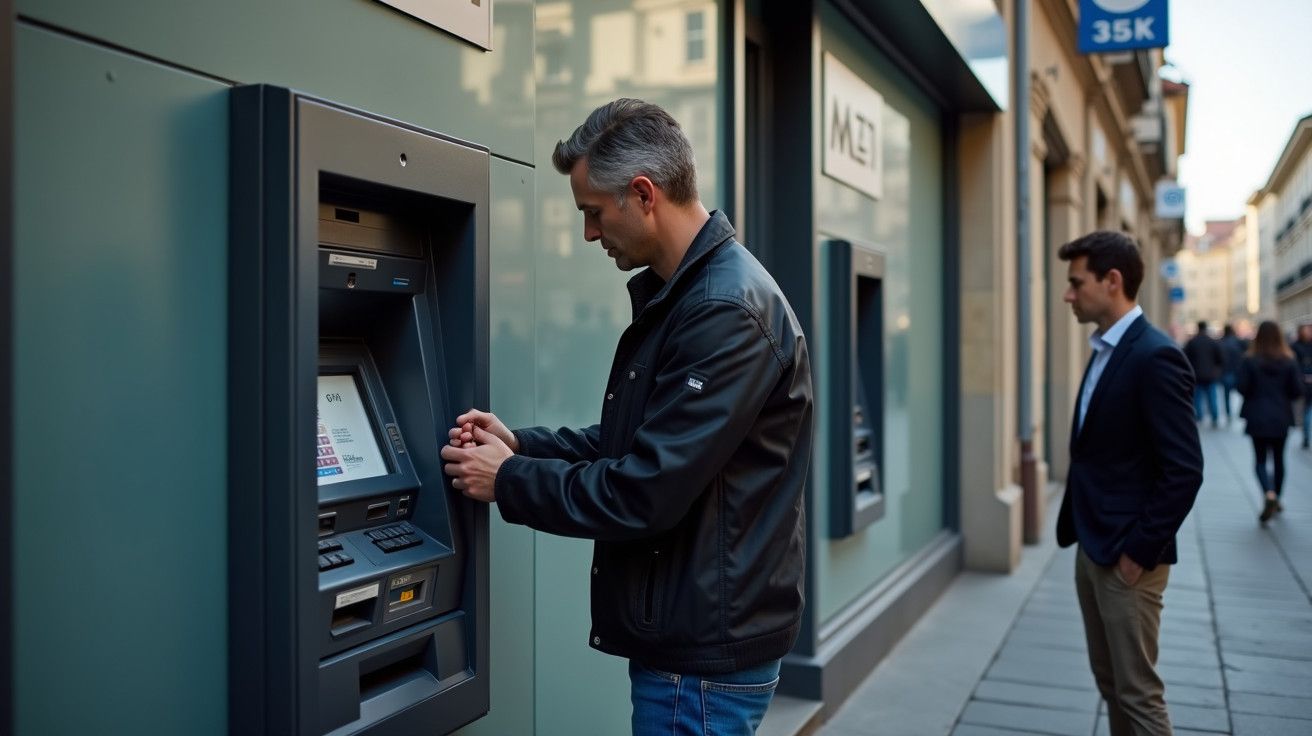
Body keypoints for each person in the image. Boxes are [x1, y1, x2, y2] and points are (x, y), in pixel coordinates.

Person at [439, 99, 814, 736]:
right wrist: (521, 445)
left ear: (643, 194)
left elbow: (643, 491)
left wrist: (508, 481)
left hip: (700, 664)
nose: (589, 234)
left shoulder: (724, 311)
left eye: (592, 212)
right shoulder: (697, 296)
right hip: (698, 642)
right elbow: (635, 443)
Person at [1056, 230, 1203, 735]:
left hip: (1128, 558)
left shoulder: (1154, 355)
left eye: (1077, 283)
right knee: (1111, 683)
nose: (1068, 294)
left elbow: (1185, 468)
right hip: (1093, 545)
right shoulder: (1106, 348)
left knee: (1138, 694)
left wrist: (1138, 551)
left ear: (1112, 281)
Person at [1238, 321, 1304, 524]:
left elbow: (1242, 387)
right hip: (1281, 416)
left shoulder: (1250, 360)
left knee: (1259, 460)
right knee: (1278, 459)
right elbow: (1296, 391)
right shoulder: (1288, 360)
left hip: (1257, 415)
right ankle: (1277, 496)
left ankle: (1268, 494)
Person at [1183, 320, 1224, 428]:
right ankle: (1214, 418)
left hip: (1197, 375)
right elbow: (1220, 358)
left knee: (1198, 398)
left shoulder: (1192, 342)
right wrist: (1217, 370)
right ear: (1206, 328)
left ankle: (1199, 417)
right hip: (1211, 375)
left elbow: (1185, 358)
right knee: (1212, 398)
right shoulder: (1212, 342)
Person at [1218, 323, 1247, 423]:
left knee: (1226, 395)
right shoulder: (1238, 342)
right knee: (1241, 392)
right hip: (1237, 371)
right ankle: (1239, 412)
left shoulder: (1221, 342)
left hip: (1225, 371)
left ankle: (1228, 413)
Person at [1291, 324, 1312, 448]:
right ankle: (1306, 437)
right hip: (1303, 385)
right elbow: (1294, 367)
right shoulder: (1295, 347)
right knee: (1306, 411)